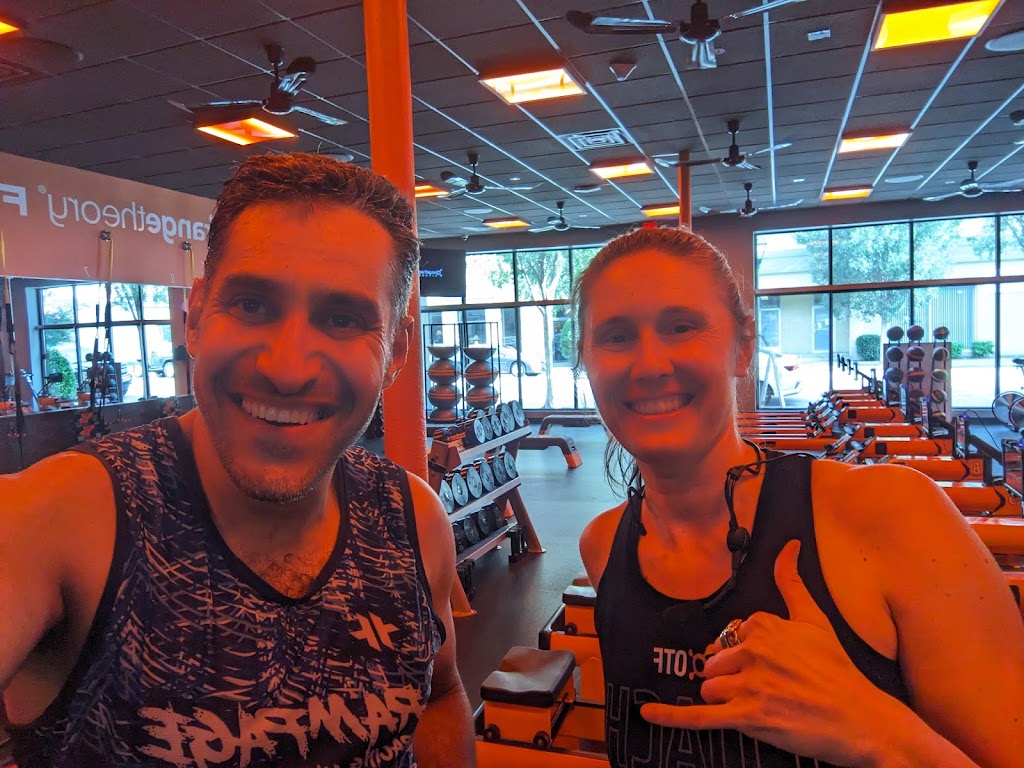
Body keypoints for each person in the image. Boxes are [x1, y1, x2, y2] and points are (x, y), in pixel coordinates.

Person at [0, 153, 475, 767]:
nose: (287, 368)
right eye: (252, 305)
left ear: (397, 351)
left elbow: (440, 696)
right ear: (196, 317)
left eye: (342, 319)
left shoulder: (413, 519)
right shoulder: (58, 518)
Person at [574, 226, 1023, 768]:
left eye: (681, 327)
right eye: (616, 336)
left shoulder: (892, 515)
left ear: (743, 347)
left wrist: (873, 730)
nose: (649, 365)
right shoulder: (603, 545)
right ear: (586, 360)